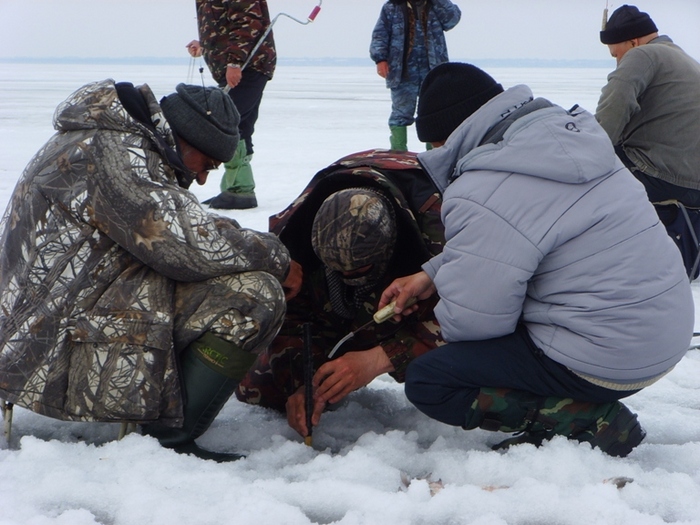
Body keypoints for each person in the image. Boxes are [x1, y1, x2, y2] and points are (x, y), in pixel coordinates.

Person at [380, 62, 694, 457]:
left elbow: (474, 323)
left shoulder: (484, 187)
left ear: (448, 136)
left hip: (607, 355)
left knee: (431, 380)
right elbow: (522, 237)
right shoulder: (574, 142)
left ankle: (587, 421)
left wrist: (393, 350)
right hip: (665, 333)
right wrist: (430, 274)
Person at [0, 80, 301, 462]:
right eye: (207, 164)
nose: (205, 179)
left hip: (48, 326)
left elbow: (181, 221)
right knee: (254, 295)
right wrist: (279, 260)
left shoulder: (115, 142)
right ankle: (169, 444)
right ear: (186, 138)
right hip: (50, 346)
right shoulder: (114, 155)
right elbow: (188, 244)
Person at [235, 149, 445, 438]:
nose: (348, 278)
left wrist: (381, 358)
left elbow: (473, 316)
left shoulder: (441, 229)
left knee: (447, 382)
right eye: (338, 271)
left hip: (420, 298)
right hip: (338, 304)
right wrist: (302, 383)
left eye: (359, 271)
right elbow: (293, 316)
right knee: (260, 388)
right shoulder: (294, 237)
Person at [595, 5, 700, 278]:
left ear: (633, 41)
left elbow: (611, 113)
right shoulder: (684, 60)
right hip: (693, 184)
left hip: (659, 175)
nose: (617, 62)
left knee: (584, 166)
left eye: (616, 54)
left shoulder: (643, 55)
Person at [186, 0, 277, 210]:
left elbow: (248, 23)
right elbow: (223, 25)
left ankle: (239, 190)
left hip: (249, 65)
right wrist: (205, 46)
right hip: (236, 66)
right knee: (239, 125)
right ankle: (238, 189)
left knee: (228, 123)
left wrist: (234, 62)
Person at [370, 0, 461, 152]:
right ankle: (398, 153)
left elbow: (452, 20)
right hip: (402, 70)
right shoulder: (391, 7)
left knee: (434, 113)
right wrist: (380, 59)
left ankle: (434, 154)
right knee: (400, 113)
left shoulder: (436, 5)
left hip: (434, 70)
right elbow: (380, 34)